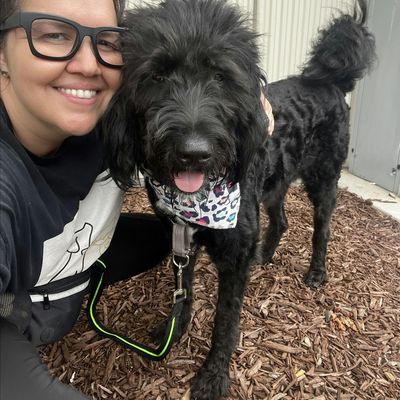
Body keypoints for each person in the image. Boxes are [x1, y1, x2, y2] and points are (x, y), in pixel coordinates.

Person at [0, 0, 274, 398]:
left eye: (106, 42)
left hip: (59, 279)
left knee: (167, 238)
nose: (88, 65)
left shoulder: (102, 123)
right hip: (22, 316)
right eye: (54, 34)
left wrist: (250, 98)